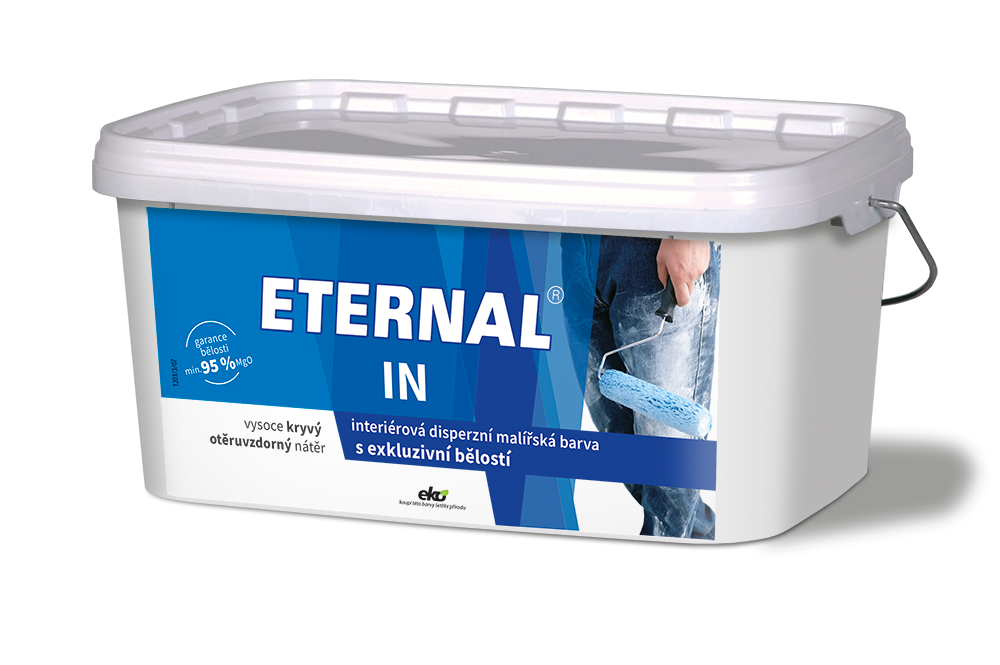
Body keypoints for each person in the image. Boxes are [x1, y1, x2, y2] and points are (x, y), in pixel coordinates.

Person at [562, 234, 721, 539]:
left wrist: (691, 229)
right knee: (623, 448)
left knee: (669, 470)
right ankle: (704, 538)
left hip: (654, 255)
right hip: (576, 244)